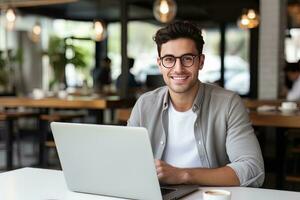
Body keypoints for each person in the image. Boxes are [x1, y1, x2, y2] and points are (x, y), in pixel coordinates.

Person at [127, 21, 264, 187]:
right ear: (160, 64)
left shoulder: (228, 104)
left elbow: (253, 169)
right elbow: (127, 162)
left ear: (201, 61)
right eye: (169, 59)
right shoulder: (145, 105)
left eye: (187, 59)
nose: (178, 69)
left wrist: (183, 175)